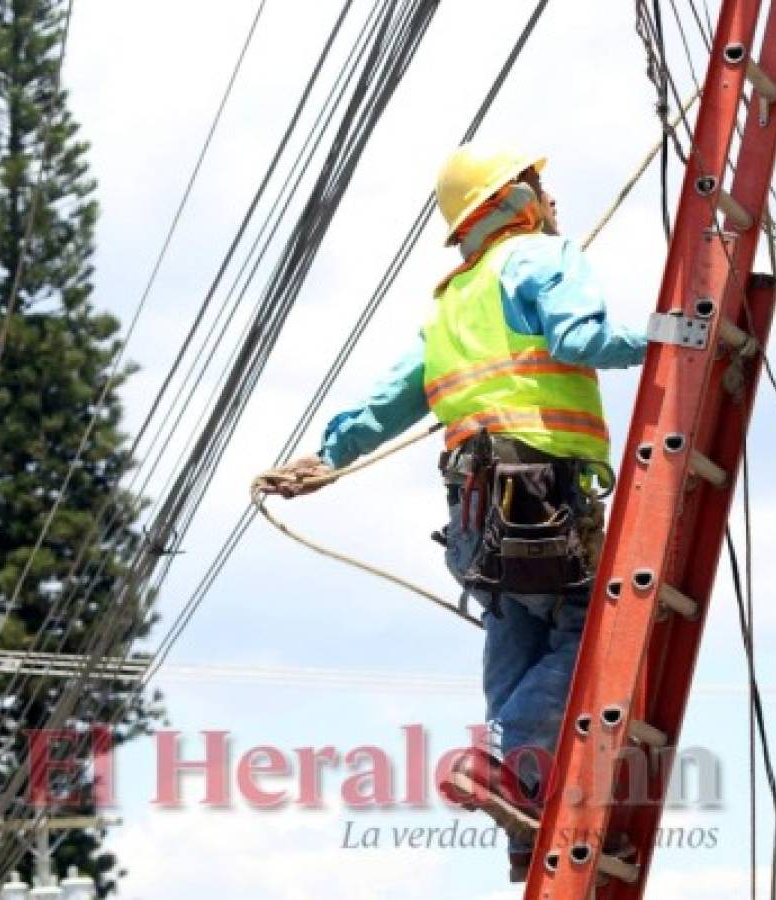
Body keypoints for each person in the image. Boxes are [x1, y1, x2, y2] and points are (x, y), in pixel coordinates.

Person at [262, 143, 646, 881]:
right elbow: (579, 338)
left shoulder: (449, 305)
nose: (549, 195)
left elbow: (389, 399)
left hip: (474, 517)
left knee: (517, 645)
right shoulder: (540, 257)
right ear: (509, 201)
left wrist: (328, 457)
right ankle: (499, 761)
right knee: (590, 632)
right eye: (536, 183)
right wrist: (667, 336)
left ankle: (522, 820)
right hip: (542, 498)